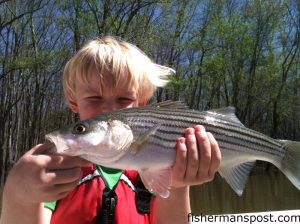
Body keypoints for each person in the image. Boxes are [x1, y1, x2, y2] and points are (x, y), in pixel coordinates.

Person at [0, 36, 221, 224]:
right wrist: (19, 195)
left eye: (124, 99)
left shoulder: (155, 169)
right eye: (95, 97)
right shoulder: (58, 169)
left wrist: (179, 186)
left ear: (141, 104)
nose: (109, 108)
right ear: (74, 101)